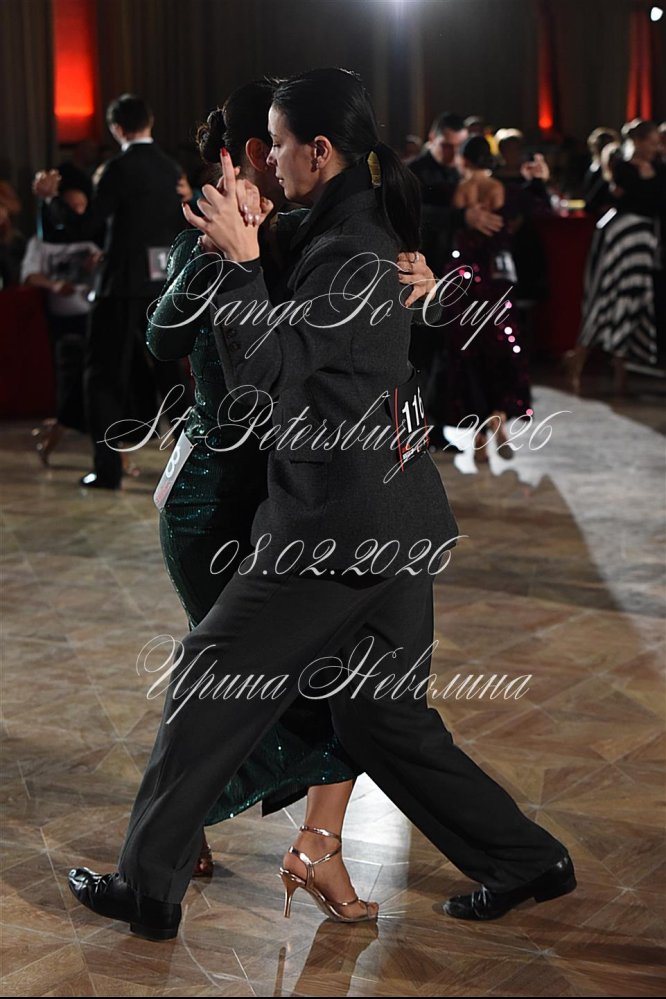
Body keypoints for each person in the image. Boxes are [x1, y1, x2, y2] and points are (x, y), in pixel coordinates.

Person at [67, 67, 575, 941]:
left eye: (279, 144)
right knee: (383, 719)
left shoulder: (351, 248)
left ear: (319, 150)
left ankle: (147, 888)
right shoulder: (353, 228)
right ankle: (527, 860)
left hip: (337, 528)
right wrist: (246, 237)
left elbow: (268, 376)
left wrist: (239, 264)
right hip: (393, 518)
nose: (271, 159)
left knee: (209, 673)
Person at [33, 94, 193, 489]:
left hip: (120, 286)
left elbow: (85, 227)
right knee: (172, 377)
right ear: (150, 122)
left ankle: (107, 470)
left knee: (102, 376)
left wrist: (50, 200)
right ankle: (194, 464)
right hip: (164, 286)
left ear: (117, 128)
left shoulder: (116, 169)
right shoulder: (171, 169)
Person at [564, 119, 665, 394]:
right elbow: (609, 200)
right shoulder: (622, 168)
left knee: (633, 300)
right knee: (606, 296)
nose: (656, 147)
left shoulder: (658, 168)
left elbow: (653, 202)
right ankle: (580, 359)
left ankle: (621, 376)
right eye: (652, 142)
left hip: (643, 242)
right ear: (639, 142)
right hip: (621, 240)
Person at [21, 187, 102, 463]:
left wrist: (97, 266)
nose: (79, 211)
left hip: (93, 318)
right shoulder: (42, 241)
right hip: (62, 323)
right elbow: (29, 275)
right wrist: (54, 284)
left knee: (92, 383)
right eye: (73, 206)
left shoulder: (92, 237)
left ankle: (56, 436)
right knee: (75, 383)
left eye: (83, 206)